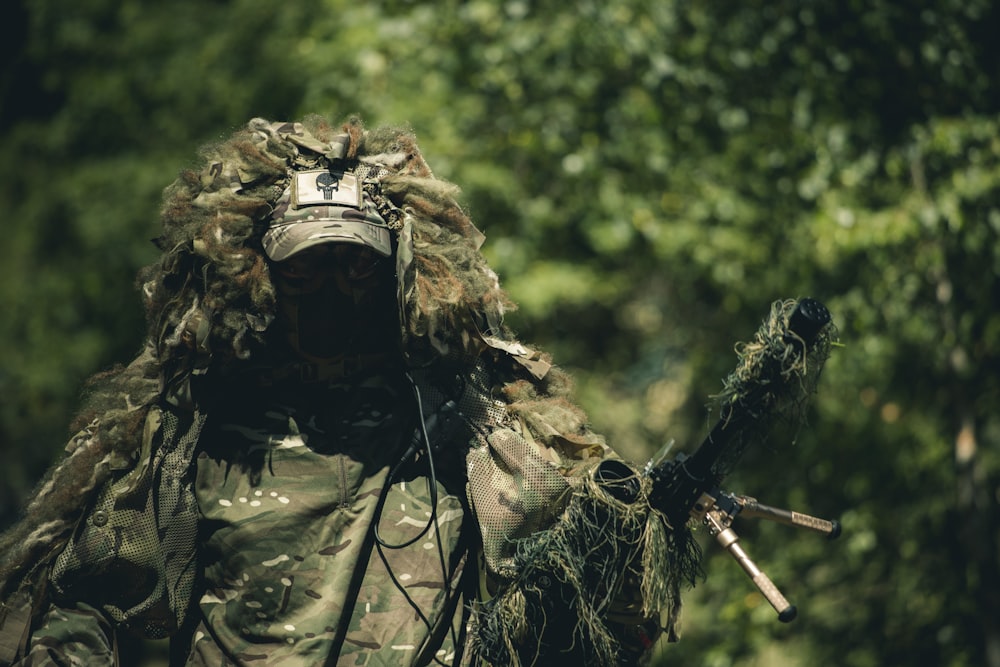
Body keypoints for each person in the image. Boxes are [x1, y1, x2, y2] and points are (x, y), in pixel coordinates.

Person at [0, 116, 698, 666]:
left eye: (355, 268)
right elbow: (76, 598)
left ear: (395, 276)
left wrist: (639, 519)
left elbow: (584, 572)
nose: (333, 290)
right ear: (260, 273)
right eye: (307, 269)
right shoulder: (198, 427)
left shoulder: (458, 415)